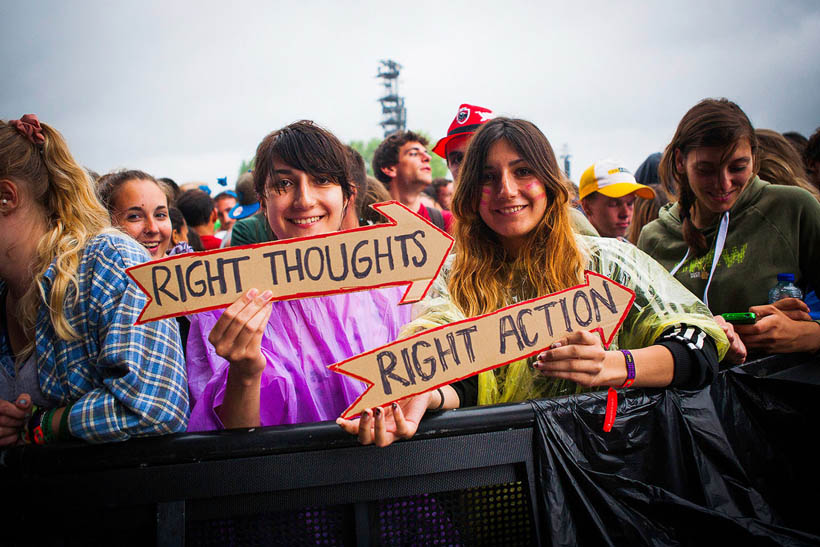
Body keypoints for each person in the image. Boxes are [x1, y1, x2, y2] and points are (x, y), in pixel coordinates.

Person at [339, 117, 728, 446]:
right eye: (489, 177)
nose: (506, 190)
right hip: (501, 477)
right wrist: (425, 393)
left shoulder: (610, 262)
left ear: (549, 181)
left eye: (523, 171)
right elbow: (462, 374)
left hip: (610, 469)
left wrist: (613, 366)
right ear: (472, 194)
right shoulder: (455, 279)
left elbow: (698, 348)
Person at [186, 120, 412, 430]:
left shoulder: (397, 284)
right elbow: (233, 443)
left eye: (322, 180)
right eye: (284, 184)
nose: (304, 200)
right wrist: (245, 372)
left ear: (347, 195)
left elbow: (448, 386)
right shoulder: (226, 302)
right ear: (263, 201)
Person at [0, 115, 188, 445]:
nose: (153, 227)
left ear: (6, 196)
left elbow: (154, 407)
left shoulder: (110, 259)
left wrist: (41, 425)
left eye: (161, 214)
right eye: (135, 215)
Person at [637, 98, 820, 356]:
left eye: (737, 167)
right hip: (690, 394)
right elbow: (640, 333)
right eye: (706, 170)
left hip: (781, 390)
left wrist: (806, 335)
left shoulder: (793, 208)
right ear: (680, 162)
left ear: (754, 160)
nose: (723, 183)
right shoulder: (654, 238)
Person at [432, 103, 598, 236]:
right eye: (457, 159)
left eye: (522, 171)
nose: (507, 190)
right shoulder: (454, 234)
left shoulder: (574, 227)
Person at [372, 130, 454, 233]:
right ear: (389, 168)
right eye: (414, 153)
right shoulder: (369, 224)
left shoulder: (447, 223)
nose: (428, 158)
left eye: (426, 153)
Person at [97, 169, 174, 259]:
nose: (153, 229)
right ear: (106, 221)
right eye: (135, 216)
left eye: (160, 215)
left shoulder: (189, 270)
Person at [579, 160, 656, 240]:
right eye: (614, 204)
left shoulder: (631, 250)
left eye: (630, 203)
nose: (625, 213)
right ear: (586, 206)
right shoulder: (572, 250)